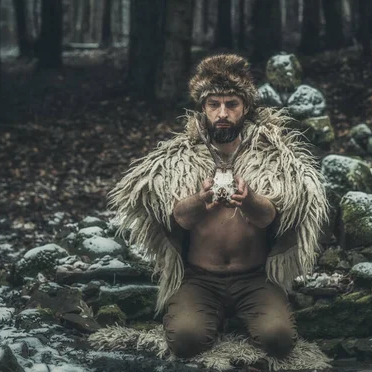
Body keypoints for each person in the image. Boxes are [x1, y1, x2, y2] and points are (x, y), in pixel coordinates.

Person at [108, 54, 329, 360]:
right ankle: (207, 315)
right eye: (214, 104)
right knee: (185, 341)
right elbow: (178, 220)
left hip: (254, 278)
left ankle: (248, 315)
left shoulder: (273, 157)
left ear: (246, 107)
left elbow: (272, 218)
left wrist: (248, 198)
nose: (222, 113)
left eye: (231, 104)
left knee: (279, 340)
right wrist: (201, 200)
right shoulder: (179, 159)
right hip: (200, 278)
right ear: (203, 108)